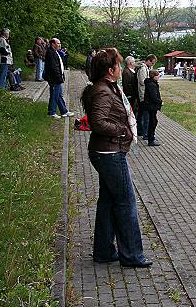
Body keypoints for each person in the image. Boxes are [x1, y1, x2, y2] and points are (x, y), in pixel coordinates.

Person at [80, 48, 151, 268]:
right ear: (111, 70)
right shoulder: (103, 91)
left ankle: (103, 251)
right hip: (109, 153)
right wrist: (122, 130)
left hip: (107, 151)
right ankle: (131, 255)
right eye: (118, 66)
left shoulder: (107, 87)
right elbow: (98, 122)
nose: (121, 68)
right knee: (126, 202)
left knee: (109, 201)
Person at [44, 38, 73, 118]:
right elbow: (54, 67)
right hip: (54, 78)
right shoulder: (50, 52)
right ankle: (51, 112)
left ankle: (64, 111)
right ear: (53, 44)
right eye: (58, 43)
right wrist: (59, 77)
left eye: (60, 43)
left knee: (59, 95)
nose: (59, 45)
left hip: (57, 77)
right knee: (54, 95)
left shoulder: (55, 51)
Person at [137, 54, 157, 139]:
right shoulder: (143, 69)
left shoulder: (146, 68)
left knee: (144, 115)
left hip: (145, 94)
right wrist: (150, 81)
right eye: (152, 63)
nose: (153, 65)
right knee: (146, 116)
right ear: (148, 60)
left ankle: (143, 131)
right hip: (143, 95)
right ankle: (145, 133)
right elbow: (142, 81)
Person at [144, 70, 162, 147]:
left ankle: (151, 137)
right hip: (152, 106)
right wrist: (160, 101)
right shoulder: (152, 85)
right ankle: (151, 139)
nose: (159, 77)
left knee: (153, 121)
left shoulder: (151, 83)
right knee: (152, 122)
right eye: (158, 75)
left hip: (151, 106)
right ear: (154, 76)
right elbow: (154, 97)